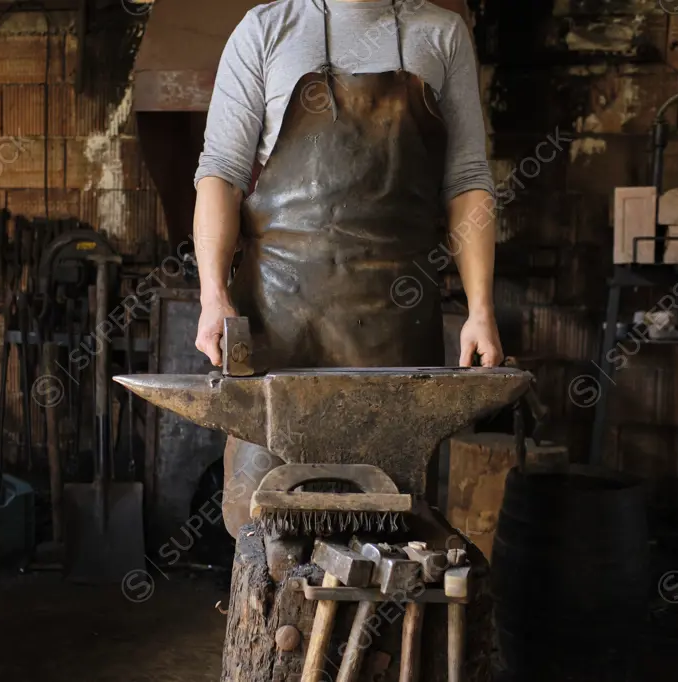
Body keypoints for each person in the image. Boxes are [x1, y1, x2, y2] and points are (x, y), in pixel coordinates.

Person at [190, 0, 504, 538]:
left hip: (398, 334)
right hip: (280, 331)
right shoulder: (267, 28)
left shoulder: (443, 34)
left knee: (394, 531)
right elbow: (220, 172)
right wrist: (213, 295)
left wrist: (480, 309)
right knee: (265, 529)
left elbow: (468, 180)